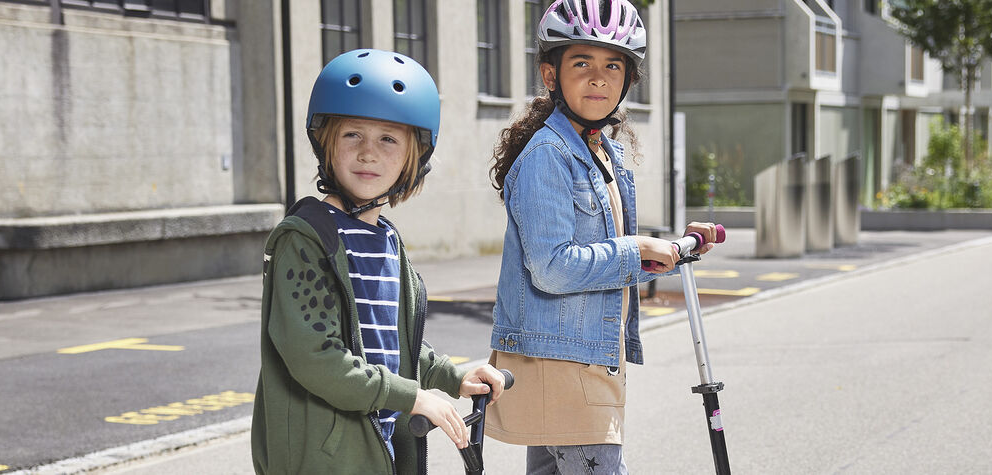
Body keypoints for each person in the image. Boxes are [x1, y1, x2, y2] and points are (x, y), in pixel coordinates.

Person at [483, 1, 719, 473]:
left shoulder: (598, 151)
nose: (598, 77)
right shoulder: (549, 155)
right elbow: (553, 267)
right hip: (566, 368)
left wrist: (672, 246)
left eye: (613, 64)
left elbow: (599, 248)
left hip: (582, 360)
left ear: (628, 79)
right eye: (582, 63)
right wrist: (638, 251)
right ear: (551, 76)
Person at [252, 48, 508, 475]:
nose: (368, 153)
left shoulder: (387, 241)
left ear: (414, 156)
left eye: (388, 139)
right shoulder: (306, 240)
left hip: (383, 450)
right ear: (327, 142)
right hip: (325, 458)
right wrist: (413, 397)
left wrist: (452, 377)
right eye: (353, 134)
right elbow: (318, 357)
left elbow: (393, 343)